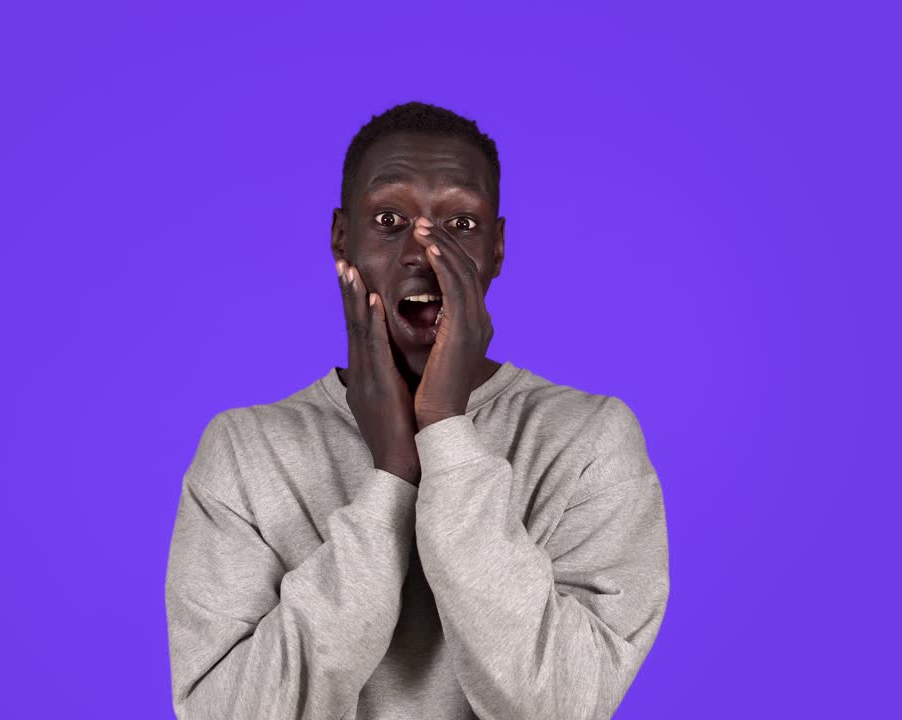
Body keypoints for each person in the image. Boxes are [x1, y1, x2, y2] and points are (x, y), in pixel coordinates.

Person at [165, 101, 670, 719]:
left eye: (459, 225)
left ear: (497, 250)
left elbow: (556, 705)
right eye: (387, 218)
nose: (423, 251)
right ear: (340, 238)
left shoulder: (590, 441)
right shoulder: (245, 451)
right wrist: (393, 476)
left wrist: (447, 433)